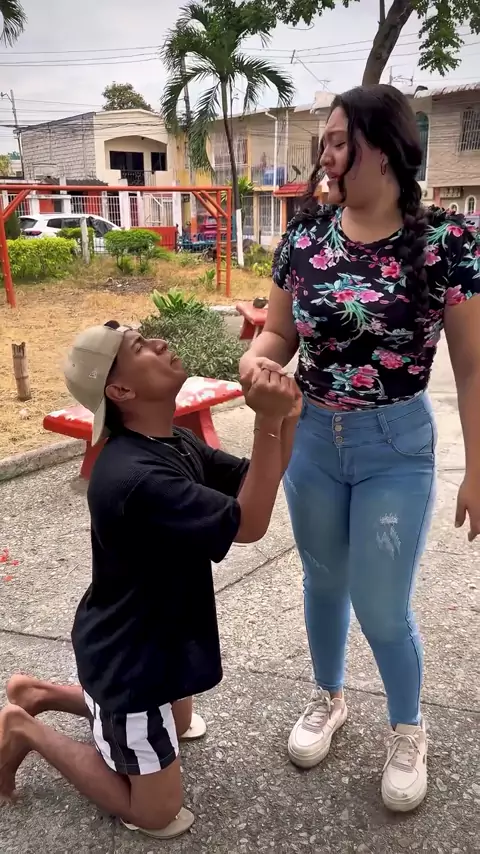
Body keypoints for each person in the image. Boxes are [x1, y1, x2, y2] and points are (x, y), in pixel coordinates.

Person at [240, 84, 480, 813]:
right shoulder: (305, 236)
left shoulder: (447, 243)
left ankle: (408, 728)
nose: (327, 155)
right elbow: (279, 332)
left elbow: (472, 368)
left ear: (384, 148)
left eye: (340, 141)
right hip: (312, 437)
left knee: (380, 603)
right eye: (326, 143)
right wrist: (257, 362)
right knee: (322, 582)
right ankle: (329, 697)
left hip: (395, 446)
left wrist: (479, 467)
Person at [0, 321, 300, 838]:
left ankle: (37, 693)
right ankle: (22, 727)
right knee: (158, 814)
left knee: (177, 726)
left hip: (161, 636)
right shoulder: (136, 477)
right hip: (130, 661)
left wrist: (286, 417)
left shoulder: (171, 440)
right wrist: (267, 422)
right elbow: (249, 524)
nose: (161, 342)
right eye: (141, 347)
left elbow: (256, 478)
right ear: (119, 390)